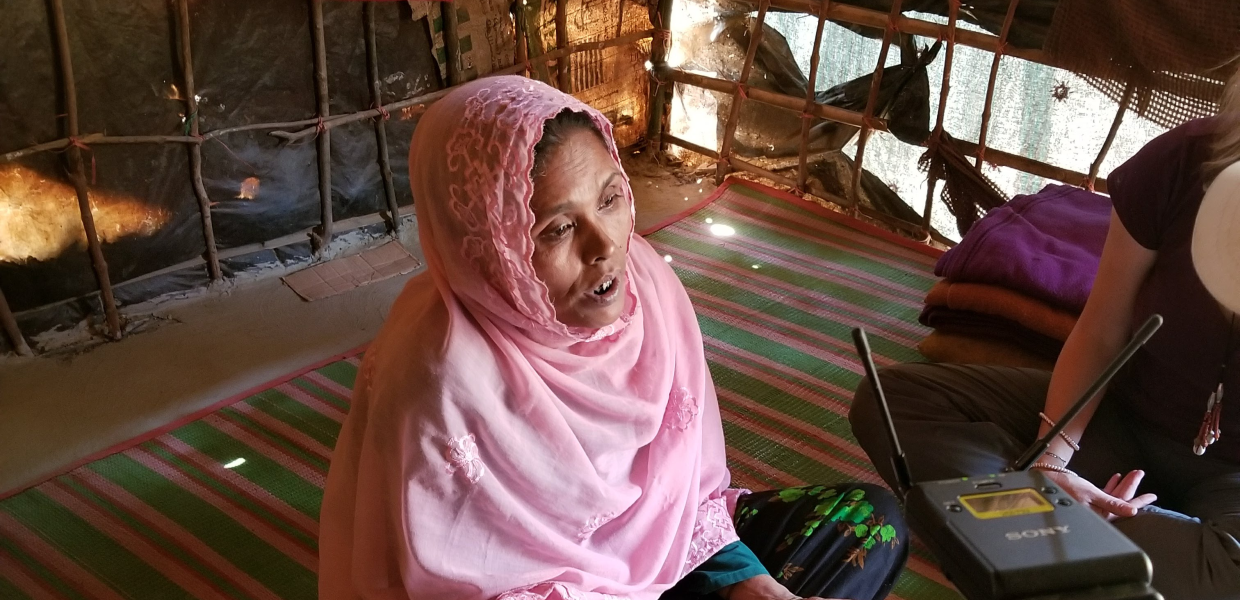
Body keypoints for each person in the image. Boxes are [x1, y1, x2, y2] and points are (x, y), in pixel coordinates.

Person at [318, 76, 908, 600]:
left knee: (871, 521)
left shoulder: (649, 288)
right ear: (489, 250)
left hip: (666, 548)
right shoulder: (439, 379)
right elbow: (475, 579)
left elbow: (689, 499)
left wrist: (748, 581)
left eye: (610, 198)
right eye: (559, 228)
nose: (605, 247)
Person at [849, 66, 1240, 600]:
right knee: (891, 400)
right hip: (1122, 422)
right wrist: (1052, 460)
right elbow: (1102, 326)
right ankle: (1064, 533)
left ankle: (1021, 535)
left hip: (1232, 486)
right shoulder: (1183, 161)